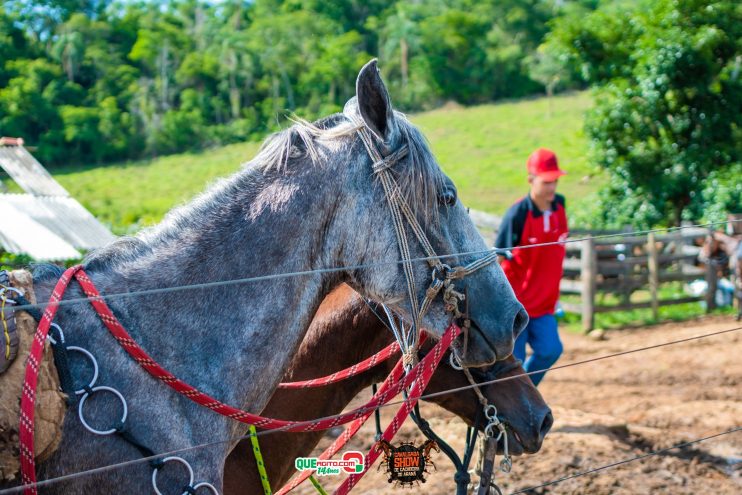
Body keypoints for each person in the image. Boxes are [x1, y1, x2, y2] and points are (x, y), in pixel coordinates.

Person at [495, 148, 569, 386]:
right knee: (513, 363)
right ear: (531, 180)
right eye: (546, 181)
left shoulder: (560, 206)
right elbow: (498, 259)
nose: (551, 187)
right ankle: (514, 407)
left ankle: (525, 393)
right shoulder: (517, 214)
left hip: (545, 305)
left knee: (550, 350)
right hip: (517, 308)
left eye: (555, 181)